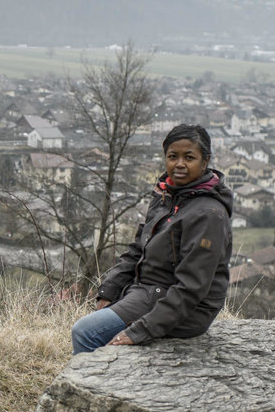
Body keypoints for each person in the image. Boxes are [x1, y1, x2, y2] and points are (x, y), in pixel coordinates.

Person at [71, 123, 233, 354]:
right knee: (98, 323)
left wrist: (141, 330)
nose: (179, 164)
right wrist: (110, 290)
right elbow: (138, 248)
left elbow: (191, 289)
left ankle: (89, 388)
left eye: (189, 157)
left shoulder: (208, 215)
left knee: (85, 331)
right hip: (149, 291)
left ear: (205, 161)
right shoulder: (167, 195)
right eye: (172, 156)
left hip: (184, 307)